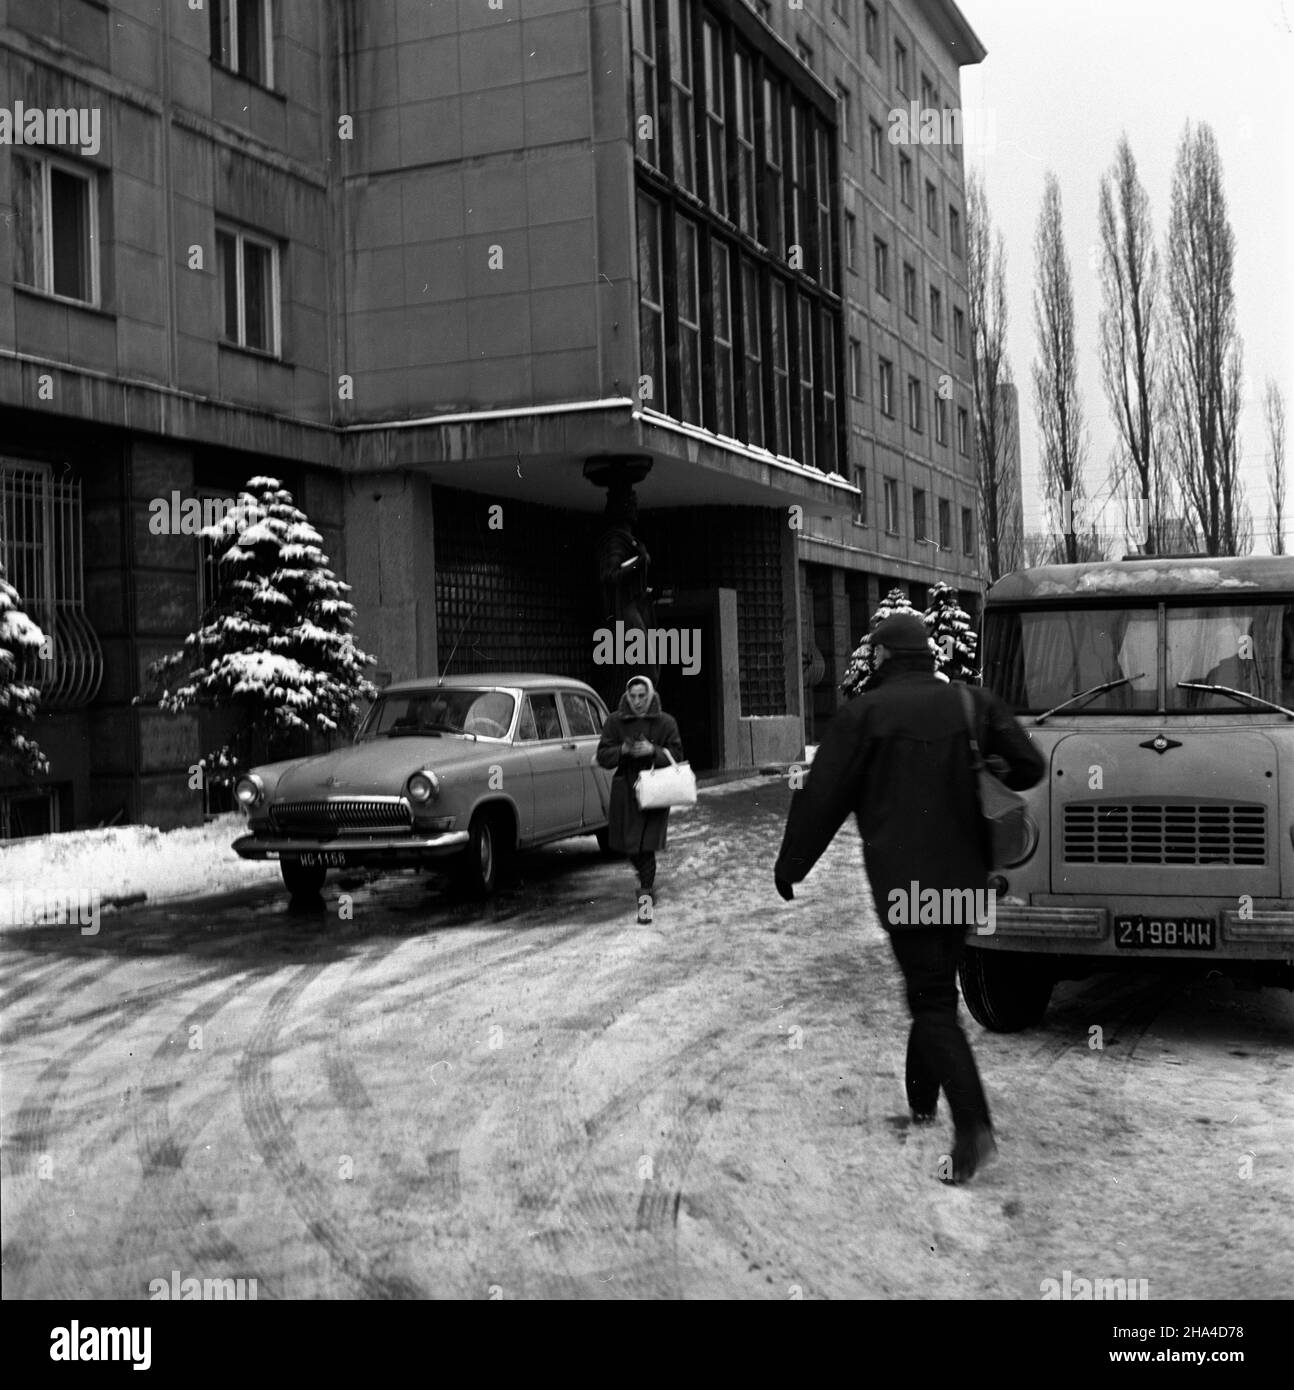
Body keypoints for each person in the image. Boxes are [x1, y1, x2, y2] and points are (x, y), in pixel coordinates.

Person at [773, 612, 1045, 1185]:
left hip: (906, 887)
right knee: (936, 986)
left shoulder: (863, 716)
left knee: (931, 1001)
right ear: (927, 655)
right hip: (966, 884)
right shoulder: (974, 703)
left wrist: (792, 864)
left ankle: (974, 1129)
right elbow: (1029, 766)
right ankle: (922, 1099)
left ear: (883, 659)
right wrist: (976, 763)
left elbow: (821, 797)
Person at [596, 675, 684, 909]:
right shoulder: (615, 722)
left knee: (645, 847)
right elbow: (603, 755)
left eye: (642, 696)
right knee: (629, 846)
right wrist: (623, 750)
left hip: (655, 790)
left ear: (651, 695)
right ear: (627, 696)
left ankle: (645, 898)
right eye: (632, 696)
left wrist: (652, 750)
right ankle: (647, 889)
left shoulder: (665, 722)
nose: (637, 701)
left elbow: (677, 755)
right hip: (626, 791)